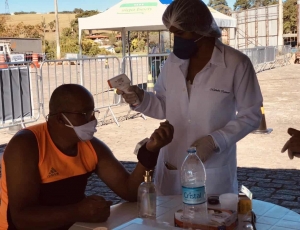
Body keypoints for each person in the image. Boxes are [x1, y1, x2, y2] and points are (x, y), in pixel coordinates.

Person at [119, 0, 263, 196]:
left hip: (212, 169)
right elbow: (163, 105)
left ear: (200, 29)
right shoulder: (173, 62)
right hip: (171, 165)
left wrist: (215, 141)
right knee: (167, 223)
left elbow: (252, 114)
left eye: (180, 33)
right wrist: (140, 99)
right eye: (172, 33)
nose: (175, 39)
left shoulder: (236, 64)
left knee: (210, 223)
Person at [0, 84, 174, 230]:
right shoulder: (26, 145)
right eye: (85, 114)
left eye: (93, 113)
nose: (94, 120)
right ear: (60, 118)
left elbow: (129, 190)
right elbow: (21, 218)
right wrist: (78, 211)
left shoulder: (90, 146)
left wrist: (150, 151)